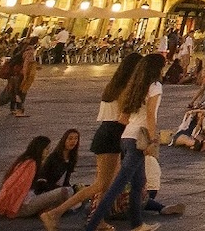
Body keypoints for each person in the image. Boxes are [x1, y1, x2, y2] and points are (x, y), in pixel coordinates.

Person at [42, 53, 143, 231]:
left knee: (106, 183)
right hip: (112, 135)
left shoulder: (112, 86)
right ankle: (55, 213)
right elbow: (122, 118)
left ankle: (98, 219)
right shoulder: (125, 88)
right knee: (101, 184)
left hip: (107, 133)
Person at [80, 53, 165, 231]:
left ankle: (137, 224)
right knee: (116, 187)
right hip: (138, 140)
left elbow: (122, 118)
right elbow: (150, 114)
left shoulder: (135, 86)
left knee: (138, 183)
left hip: (126, 137)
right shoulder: (155, 86)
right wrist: (152, 138)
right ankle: (93, 225)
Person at [0, 135, 74, 220]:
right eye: (46, 149)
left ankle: (46, 210)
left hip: (28, 200)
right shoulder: (30, 164)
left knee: (67, 194)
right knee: (66, 191)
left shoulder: (29, 161)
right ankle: (49, 211)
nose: (48, 152)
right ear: (39, 149)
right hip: (23, 206)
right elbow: (9, 186)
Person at [38, 129, 80, 193]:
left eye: (76, 138)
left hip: (62, 190)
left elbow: (66, 181)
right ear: (64, 140)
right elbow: (43, 179)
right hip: (49, 190)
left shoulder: (71, 159)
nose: (73, 141)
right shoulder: (54, 157)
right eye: (70, 138)